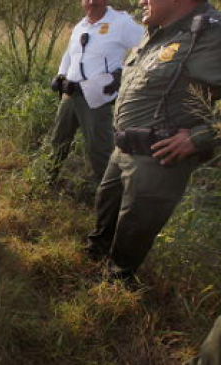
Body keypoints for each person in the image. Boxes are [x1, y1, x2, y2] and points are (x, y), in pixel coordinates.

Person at [86, 0, 221, 281]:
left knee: (133, 231)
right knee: (105, 212)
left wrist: (200, 137)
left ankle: (115, 291)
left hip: (157, 159)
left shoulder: (211, 34)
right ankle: (91, 265)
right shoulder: (156, 31)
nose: (140, 1)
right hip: (123, 148)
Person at [47, 0, 144, 184]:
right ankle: (47, 180)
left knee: (99, 148)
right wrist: (61, 74)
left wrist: (124, 72)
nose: (92, 2)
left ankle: (110, 191)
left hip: (96, 98)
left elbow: (148, 46)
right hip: (70, 95)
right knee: (59, 140)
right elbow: (70, 54)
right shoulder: (80, 26)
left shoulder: (121, 23)